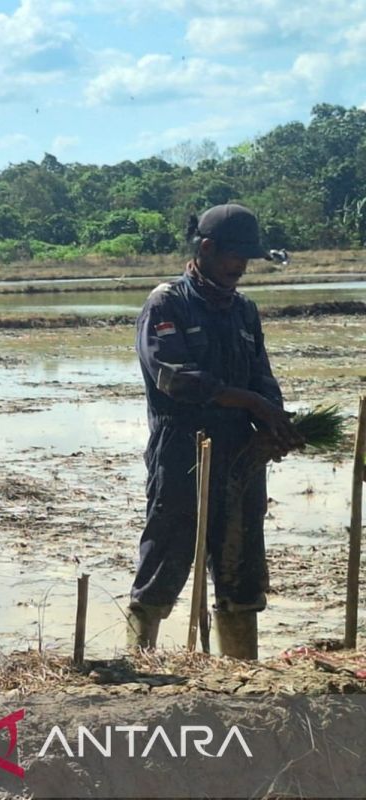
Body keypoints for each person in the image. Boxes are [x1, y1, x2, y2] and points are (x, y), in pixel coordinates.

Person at [128, 204, 303, 659]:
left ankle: (242, 672)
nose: (242, 267)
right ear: (206, 249)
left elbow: (263, 378)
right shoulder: (167, 303)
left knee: (241, 566)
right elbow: (175, 378)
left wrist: (274, 424)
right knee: (166, 554)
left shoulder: (244, 311)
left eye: (248, 258)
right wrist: (249, 401)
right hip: (183, 446)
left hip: (240, 452)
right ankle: (139, 660)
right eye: (235, 257)